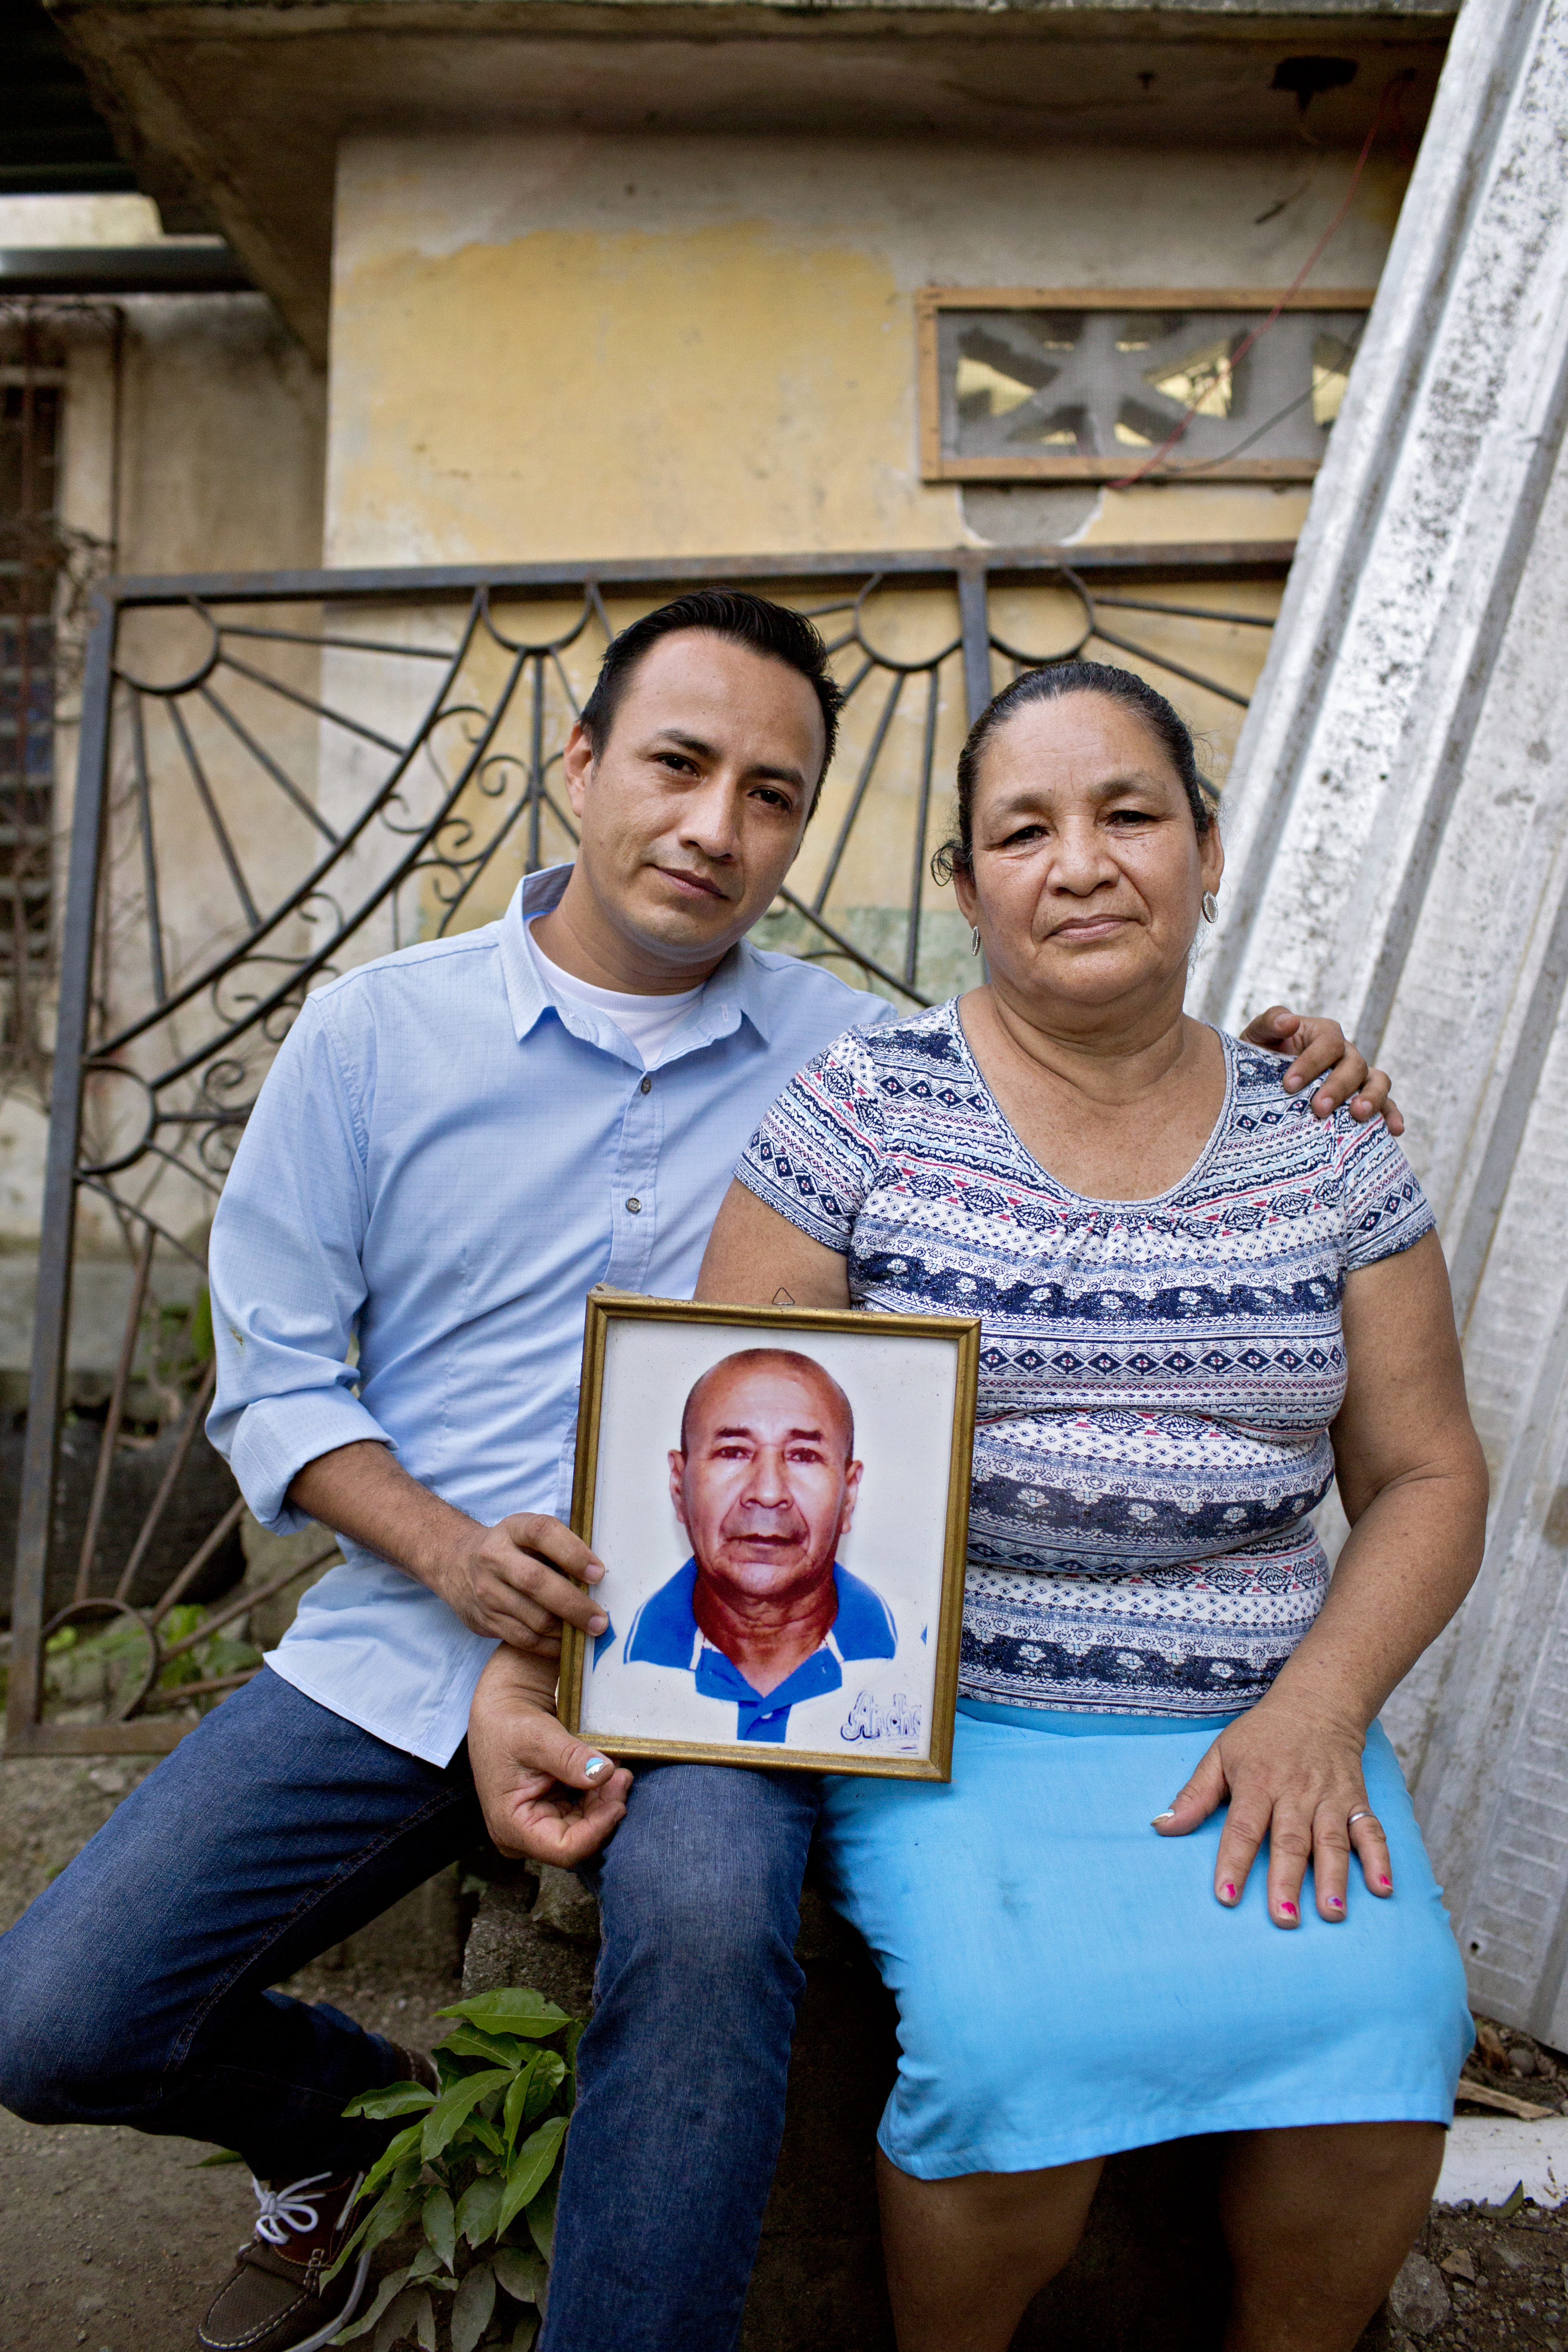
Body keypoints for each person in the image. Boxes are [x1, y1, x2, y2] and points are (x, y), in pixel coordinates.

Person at [0, 590, 1398, 2352]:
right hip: (408, 1639)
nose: (714, 827)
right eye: (677, 764)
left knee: (718, 1911)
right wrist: (450, 1560)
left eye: (770, 794)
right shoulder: (373, 1038)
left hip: (707, 1658)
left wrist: (1297, 1066)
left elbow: (1082, 1061)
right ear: (580, 763)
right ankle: (339, 2134)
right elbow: (272, 1383)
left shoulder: (866, 1062)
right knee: (51, 2020)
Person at [696, 659, 1488, 2352]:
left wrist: (1319, 1709)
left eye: (1130, 813)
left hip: (1262, 1715)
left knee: (1390, 2023)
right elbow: (725, 1424)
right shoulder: (862, 1112)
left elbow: (1426, 1471)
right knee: (1017, 2049)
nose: (1082, 862)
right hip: (955, 1718)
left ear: (1205, 846)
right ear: (967, 888)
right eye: (1024, 830)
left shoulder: (1328, 1138)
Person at [596, 1346, 906, 1747]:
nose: (768, 1492)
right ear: (679, 1487)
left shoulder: (916, 1661)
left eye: (804, 1456)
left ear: (848, 1496)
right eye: (734, 1452)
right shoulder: (604, 1663)